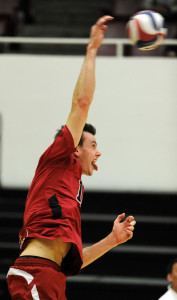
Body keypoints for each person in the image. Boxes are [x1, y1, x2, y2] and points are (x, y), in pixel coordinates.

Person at [6, 15, 136, 300]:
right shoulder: (58, 158)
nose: (98, 151)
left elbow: (70, 264)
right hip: (34, 274)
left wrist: (113, 240)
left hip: (50, 276)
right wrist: (92, 49)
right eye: (93, 144)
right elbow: (82, 102)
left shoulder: (73, 190)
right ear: (75, 148)